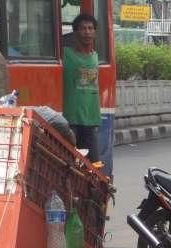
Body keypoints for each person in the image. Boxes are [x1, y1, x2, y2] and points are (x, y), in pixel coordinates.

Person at [62, 13, 101, 163]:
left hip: (91, 120)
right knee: (69, 163)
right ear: (76, 32)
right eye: (83, 28)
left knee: (94, 165)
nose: (87, 32)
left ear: (95, 32)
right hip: (70, 120)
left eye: (90, 28)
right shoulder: (66, 54)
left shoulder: (97, 57)